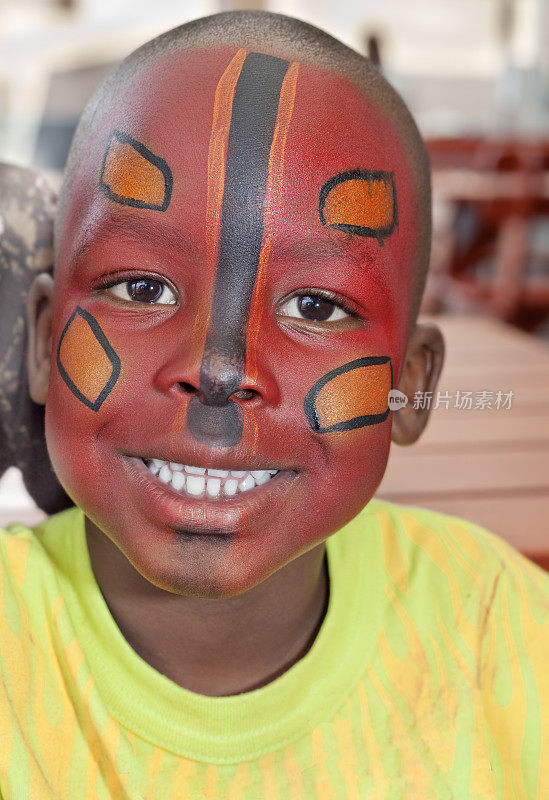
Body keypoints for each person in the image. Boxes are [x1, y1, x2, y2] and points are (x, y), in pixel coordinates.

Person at [0, 10, 547, 799]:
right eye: (141, 287)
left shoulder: (503, 634)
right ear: (45, 340)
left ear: (410, 386)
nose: (218, 369)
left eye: (317, 307)